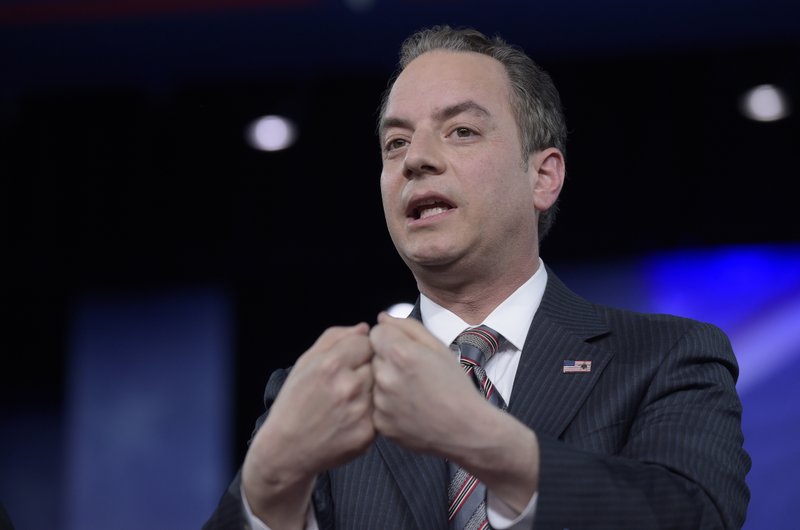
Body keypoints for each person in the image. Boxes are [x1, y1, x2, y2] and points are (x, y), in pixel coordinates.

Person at [204, 25, 751, 529]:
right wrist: (268, 487)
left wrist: (481, 439)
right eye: (395, 143)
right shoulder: (328, 391)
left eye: (461, 131)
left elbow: (694, 516)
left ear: (543, 177)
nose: (415, 159)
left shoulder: (667, 358)